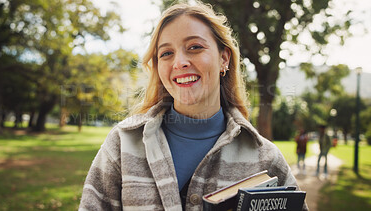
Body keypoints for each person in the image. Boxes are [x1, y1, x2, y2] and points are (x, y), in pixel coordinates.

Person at [79, 1, 308, 210]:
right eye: (167, 53)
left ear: (224, 59)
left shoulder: (265, 159)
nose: (179, 63)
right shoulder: (122, 145)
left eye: (195, 47)